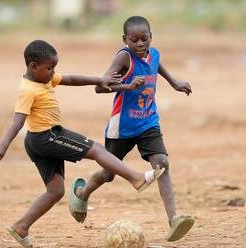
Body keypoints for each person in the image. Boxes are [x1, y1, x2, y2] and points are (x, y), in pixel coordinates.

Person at [0, 39, 165, 248]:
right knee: (97, 149)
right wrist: (3, 146)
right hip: (47, 136)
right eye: (49, 68)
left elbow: (71, 78)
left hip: (38, 141)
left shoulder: (43, 79)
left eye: (54, 67)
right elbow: (18, 121)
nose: (53, 72)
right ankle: (136, 178)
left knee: (55, 192)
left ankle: (21, 226)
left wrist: (99, 79)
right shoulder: (28, 90)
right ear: (33, 66)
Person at [69, 16, 195, 242]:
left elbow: (156, 65)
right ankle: (82, 193)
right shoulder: (123, 58)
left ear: (150, 38)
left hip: (148, 121)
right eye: (134, 40)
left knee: (162, 164)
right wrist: (127, 85)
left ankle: (174, 219)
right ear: (124, 39)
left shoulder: (154, 53)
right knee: (108, 175)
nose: (139, 44)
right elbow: (100, 87)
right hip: (122, 126)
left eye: (144, 39)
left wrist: (175, 82)